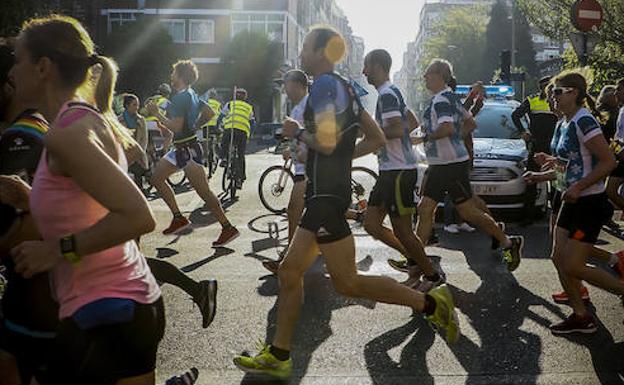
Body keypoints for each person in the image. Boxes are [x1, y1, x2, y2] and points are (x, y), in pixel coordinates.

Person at [233, 27, 460, 379]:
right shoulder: (348, 90)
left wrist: (299, 133)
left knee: (347, 282)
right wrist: (338, 158)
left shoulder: (324, 85)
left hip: (325, 198)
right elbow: (377, 137)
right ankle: (278, 354)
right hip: (325, 194)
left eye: (306, 47)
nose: (302, 54)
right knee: (292, 272)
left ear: (323, 51)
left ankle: (430, 301)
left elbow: (324, 143)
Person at [7, 15, 164, 384]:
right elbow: (94, 207)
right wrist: (33, 198)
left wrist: (55, 250)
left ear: (43, 67)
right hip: (129, 306)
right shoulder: (88, 119)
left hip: (105, 314)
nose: (11, 70)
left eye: (18, 58)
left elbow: (138, 216)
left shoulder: (65, 136)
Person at [523, 71, 624, 334]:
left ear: (574, 94)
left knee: (573, 264)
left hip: (589, 204)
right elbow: (568, 165)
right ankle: (581, 315)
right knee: (558, 257)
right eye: (552, 92)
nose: (552, 97)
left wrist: (579, 186)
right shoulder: (564, 122)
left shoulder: (584, 121)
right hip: (569, 200)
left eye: (558, 92)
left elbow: (609, 162)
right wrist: (544, 171)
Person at [414, 59, 523, 272]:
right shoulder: (450, 98)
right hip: (445, 163)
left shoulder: (441, 100)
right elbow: (470, 123)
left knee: (467, 212)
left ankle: (509, 242)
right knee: (425, 208)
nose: (424, 77)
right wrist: (455, 139)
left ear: (439, 75)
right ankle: (416, 257)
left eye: (427, 74)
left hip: (449, 165)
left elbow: (445, 129)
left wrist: (424, 137)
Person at [0, 37, 58, 385]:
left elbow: (26, 229)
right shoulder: (39, 125)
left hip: (36, 305)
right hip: (37, 302)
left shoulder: (19, 139)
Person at [360, 49, 442, 292]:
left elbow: (397, 129)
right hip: (390, 170)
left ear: (378, 66)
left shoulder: (387, 95)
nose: (364, 72)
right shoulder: (392, 92)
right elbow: (412, 122)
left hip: (399, 171)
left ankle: (432, 275)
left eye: (367, 66)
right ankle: (416, 262)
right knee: (371, 224)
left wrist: (372, 135)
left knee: (404, 231)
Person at [147, 60, 239, 246]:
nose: (171, 76)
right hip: (180, 148)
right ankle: (178, 217)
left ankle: (228, 228)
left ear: (180, 76)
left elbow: (175, 126)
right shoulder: (192, 94)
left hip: (188, 150)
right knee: (156, 178)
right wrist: (196, 125)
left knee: (204, 192)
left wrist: (156, 114)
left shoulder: (181, 98)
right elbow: (210, 112)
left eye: (173, 73)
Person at [263, 70, 310, 274]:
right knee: (311, 216)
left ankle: (289, 260)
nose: (285, 89)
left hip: (309, 169)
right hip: (305, 167)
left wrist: (295, 148)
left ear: (299, 85)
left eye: (287, 84)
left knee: (293, 210)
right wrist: (291, 150)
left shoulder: (308, 106)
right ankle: (293, 257)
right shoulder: (300, 106)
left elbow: (312, 134)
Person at [512, 76, 559, 224]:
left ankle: (538, 215)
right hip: (543, 144)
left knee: (553, 179)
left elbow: (515, 115)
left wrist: (523, 131)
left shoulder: (544, 100)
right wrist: (523, 132)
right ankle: (533, 215)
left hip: (547, 144)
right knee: (537, 180)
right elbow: (515, 115)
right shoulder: (536, 100)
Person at [219, 88, 255, 189]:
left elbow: (221, 116)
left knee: (224, 143)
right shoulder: (248, 107)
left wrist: (219, 126)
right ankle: (240, 179)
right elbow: (253, 123)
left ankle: (224, 158)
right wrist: (250, 135)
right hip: (243, 132)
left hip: (230, 129)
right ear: (245, 98)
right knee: (241, 155)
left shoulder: (230, 104)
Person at [119, 93, 149, 187]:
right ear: (127, 106)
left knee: (139, 173)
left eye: (138, 105)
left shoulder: (141, 120)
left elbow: (144, 138)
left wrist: (140, 151)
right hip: (126, 153)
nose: (137, 107)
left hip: (138, 152)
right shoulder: (119, 120)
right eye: (134, 105)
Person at [606, 79, 624, 221]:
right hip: (619, 154)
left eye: (619, 89)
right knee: (610, 191)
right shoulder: (621, 109)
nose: (615, 92)